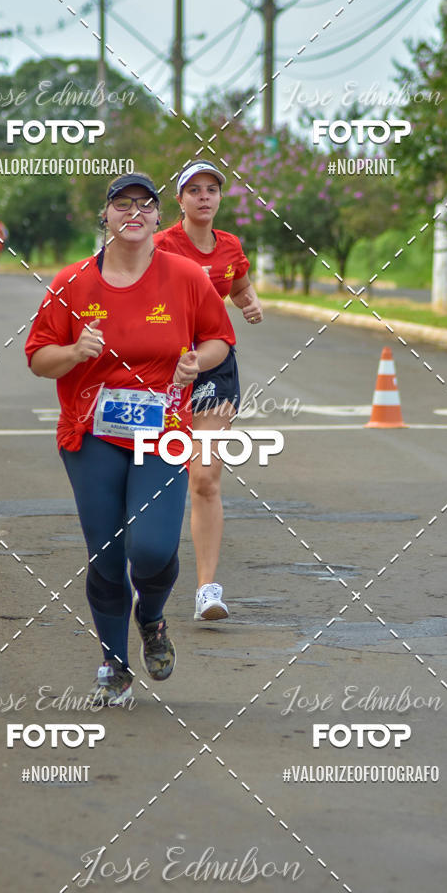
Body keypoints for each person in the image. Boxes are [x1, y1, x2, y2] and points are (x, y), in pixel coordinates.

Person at [25, 173, 235, 705]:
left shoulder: (186, 276)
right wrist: (74, 354)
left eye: (145, 205)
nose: (134, 213)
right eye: (123, 205)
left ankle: (153, 616)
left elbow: (219, 338)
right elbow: (37, 358)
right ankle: (114, 665)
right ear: (107, 215)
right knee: (106, 554)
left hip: (161, 433)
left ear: (158, 218)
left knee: (152, 549)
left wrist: (196, 361)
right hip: (91, 434)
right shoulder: (72, 284)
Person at [154, 160, 263, 622]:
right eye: (193, 189)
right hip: (156, 368)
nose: (204, 196)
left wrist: (249, 302)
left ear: (220, 198)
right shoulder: (158, 246)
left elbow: (238, 286)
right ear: (178, 200)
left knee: (204, 476)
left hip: (212, 368)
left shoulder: (230, 246)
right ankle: (144, 577)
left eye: (212, 189)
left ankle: (207, 589)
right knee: (154, 479)